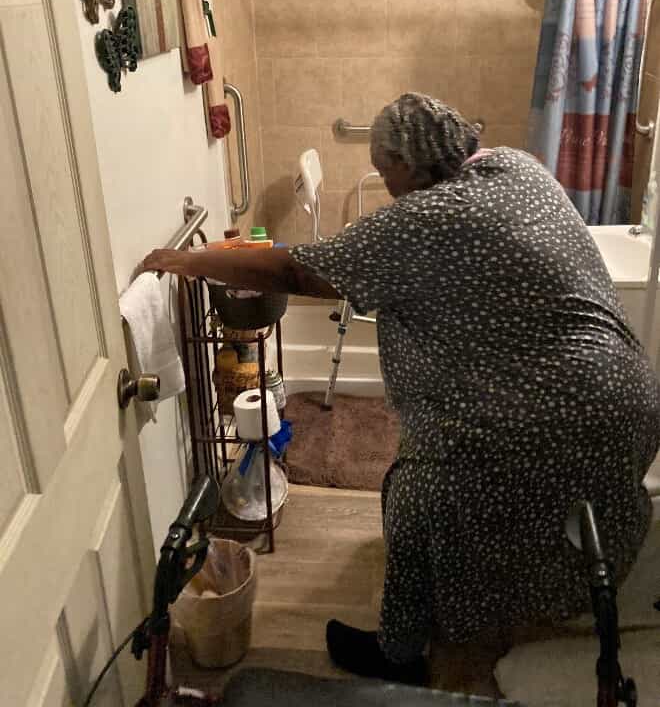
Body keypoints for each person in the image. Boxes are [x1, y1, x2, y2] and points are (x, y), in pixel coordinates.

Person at [143, 93, 660, 691]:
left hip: (549, 416)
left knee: (421, 492)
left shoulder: (421, 220)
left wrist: (193, 260)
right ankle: (562, 596)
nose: (387, 186)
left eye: (386, 173)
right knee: (565, 508)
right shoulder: (521, 168)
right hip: (627, 397)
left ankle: (403, 650)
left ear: (409, 164)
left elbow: (294, 269)